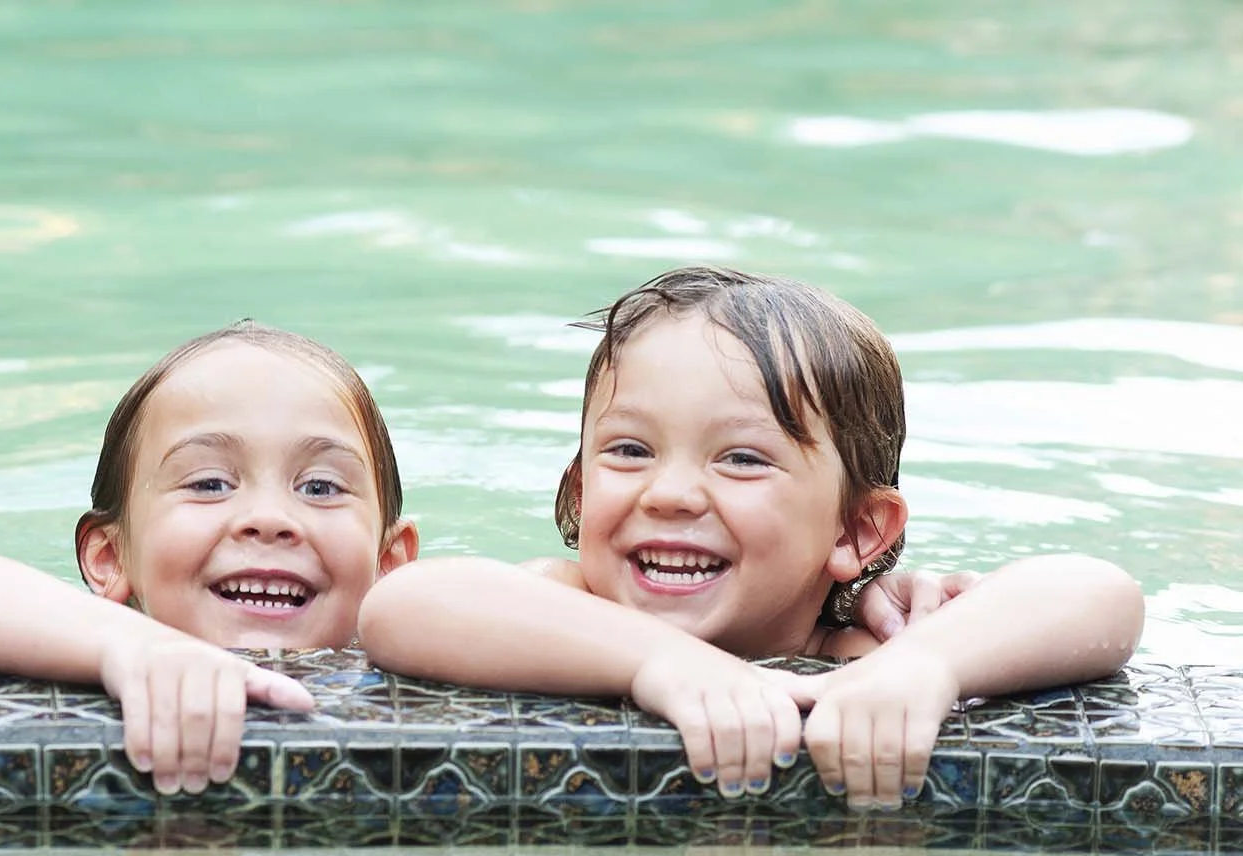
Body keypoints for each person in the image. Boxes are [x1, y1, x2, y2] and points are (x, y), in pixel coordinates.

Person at [358, 266, 1146, 811]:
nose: (668, 493)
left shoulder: (861, 655)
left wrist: (926, 666)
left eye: (741, 458)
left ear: (855, 530)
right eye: (629, 451)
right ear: (578, 491)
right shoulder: (565, 604)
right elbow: (403, 605)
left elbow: (1100, 595)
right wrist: (658, 662)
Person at [0, 321, 420, 795]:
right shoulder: (99, 646)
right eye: (210, 483)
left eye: (320, 487)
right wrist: (134, 646)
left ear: (389, 564)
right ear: (110, 557)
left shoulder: (418, 657)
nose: (269, 517)